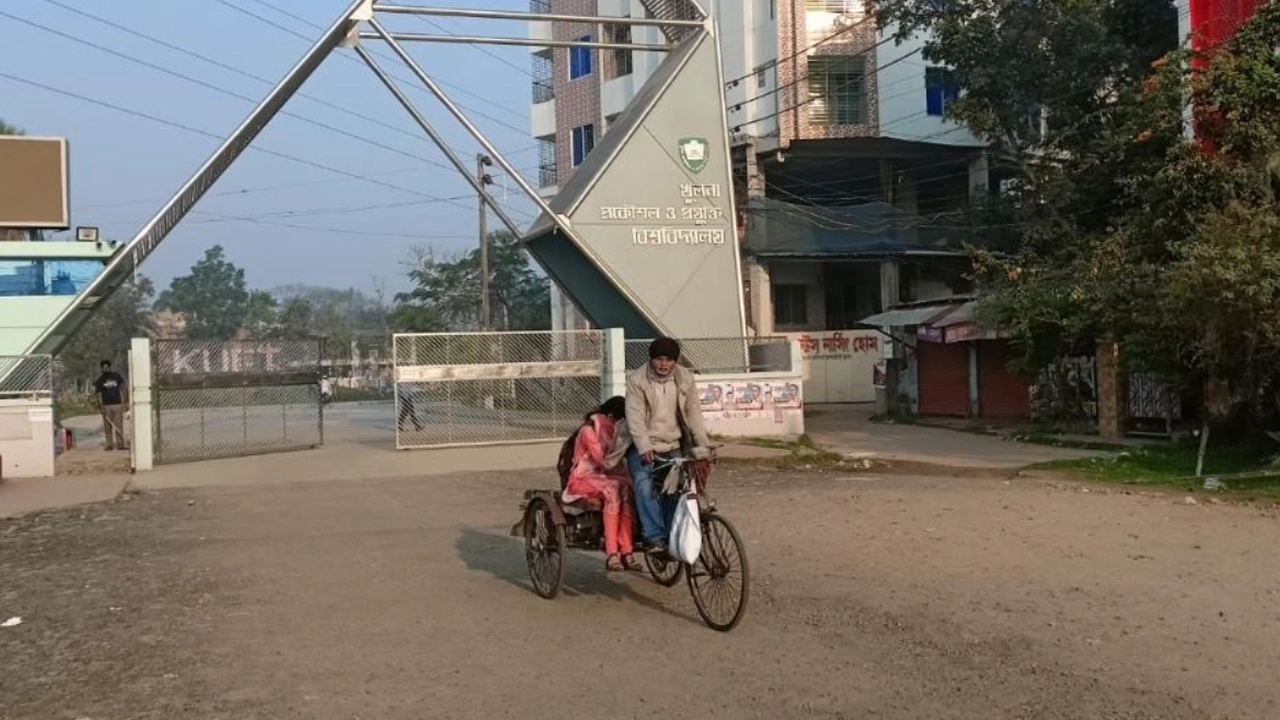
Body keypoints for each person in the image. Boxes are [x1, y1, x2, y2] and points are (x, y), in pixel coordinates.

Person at [624, 337, 712, 554]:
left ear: (675, 361)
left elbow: (694, 415)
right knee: (644, 486)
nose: (663, 364)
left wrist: (703, 447)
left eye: (668, 360)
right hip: (643, 444)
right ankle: (654, 537)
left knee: (675, 490)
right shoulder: (637, 380)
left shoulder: (685, 378)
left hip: (673, 443)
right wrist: (644, 447)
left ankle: (673, 535)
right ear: (651, 359)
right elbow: (634, 417)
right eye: (659, 359)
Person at [564, 397, 640, 572]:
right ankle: (612, 552)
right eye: (619, 420)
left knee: (628, 490)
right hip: (584, 479)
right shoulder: (588, 431)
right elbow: (603, 461)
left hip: (607, 476)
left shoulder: (612, 431)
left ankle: (627, 551)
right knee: (613, 490)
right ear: (611, 416)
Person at [93, 359, 129, 451]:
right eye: (103, 367)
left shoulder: (116, 376)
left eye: (107, 367)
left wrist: (125, 401)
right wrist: (101, 407)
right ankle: (109, 444)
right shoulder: (100, 380)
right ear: (101, 368)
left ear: (109, 367)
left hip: (117, 404)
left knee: (118, 425)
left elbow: (123, 388)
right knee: (107, 426)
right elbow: (99, 394)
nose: (105, 368)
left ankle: (120, 444)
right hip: (106, 406)